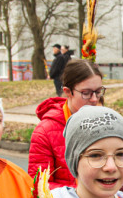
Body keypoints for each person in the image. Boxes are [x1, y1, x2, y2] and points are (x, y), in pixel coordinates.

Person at [28, 59, 104, 189]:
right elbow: (39, 186)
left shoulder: (105, 122)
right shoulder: (45, 131)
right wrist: (82, 193)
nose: (94, 99)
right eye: (86, 93)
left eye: (98, 92)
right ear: (68, 92)